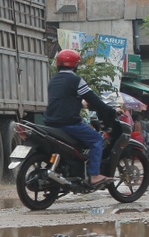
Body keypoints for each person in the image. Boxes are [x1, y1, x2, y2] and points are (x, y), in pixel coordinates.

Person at [44, 49, 116, 188]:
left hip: (50, 123)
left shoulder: (53, 80)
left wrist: (80, 104)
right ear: (75, 65)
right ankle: (94, 175)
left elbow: (63, 100)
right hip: (68, 123)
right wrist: (110, 110)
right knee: (96, 140)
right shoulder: (75, 80)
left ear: (58, 64)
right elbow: (94, 100)